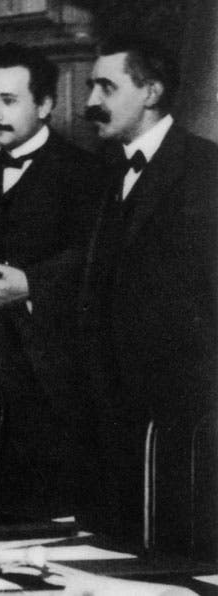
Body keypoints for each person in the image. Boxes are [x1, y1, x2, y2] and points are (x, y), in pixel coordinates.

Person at [0, 44, 104, 515]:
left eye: (8, 100)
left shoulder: (87, 176)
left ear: (46, 104)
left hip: (48, 397)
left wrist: (33, 285)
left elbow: (99, 266)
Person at [79, 35, 218, 545]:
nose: (91, 100)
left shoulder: (206, 170)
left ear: (152, 90)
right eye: (92, 84)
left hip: (177, 425)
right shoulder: (102, 170)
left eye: (107, 87)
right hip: (106, 421)